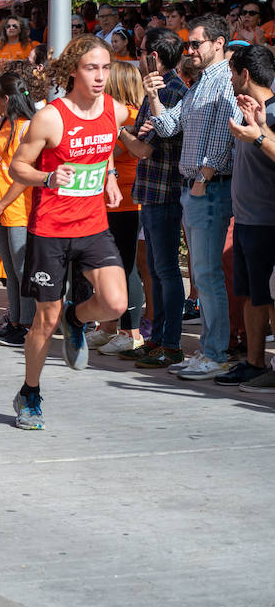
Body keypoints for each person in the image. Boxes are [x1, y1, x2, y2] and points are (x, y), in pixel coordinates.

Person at [8, 35, 130, 429]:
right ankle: (30, 393)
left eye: (105, 68)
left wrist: (109, 173)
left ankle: (77, 320)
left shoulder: (115, 109)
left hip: (93, 225)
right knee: (45, 318)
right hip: (51, 230)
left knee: (115, 304)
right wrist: (48, 176)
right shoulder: (51, 118)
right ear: (74, 71)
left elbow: (105, 141)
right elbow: (17, 168)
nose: (100, 76)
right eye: (92, 68)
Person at [142, 15, 240, 379]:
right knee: (201, 273)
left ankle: (215, 353)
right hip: (195, 190)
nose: (190, 50)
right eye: (187, 45)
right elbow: (168, 127)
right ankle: (209, 350)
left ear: (218, 43)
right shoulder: (199, 84)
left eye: (195, 43)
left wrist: (204, 176)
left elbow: (226, 135)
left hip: (207, 189)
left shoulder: (223, 83)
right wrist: (152, 94)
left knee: (208, 275)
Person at [116, 30, 188, 368]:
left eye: (143, 51)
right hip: (152, 191)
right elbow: (141, 137)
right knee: (158, 271)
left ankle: (170, 343)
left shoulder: (172, 91)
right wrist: (132, 134)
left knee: (166, 271)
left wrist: (119, 130)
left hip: (165, 192)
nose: (138, 57)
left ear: (155, 57)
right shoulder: (156, 89)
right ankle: (158, 339)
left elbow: (143, 148)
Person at [219, 45, 275, 389]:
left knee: (269, 296)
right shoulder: (250, 110)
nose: (230, 79)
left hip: (268, 221)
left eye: (232, 73)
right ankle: (254, 362)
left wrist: (258, 135)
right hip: (247, 219)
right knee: (254, 295)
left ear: (245, 75)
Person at [0, 70, 36, 347]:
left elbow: (24, 176)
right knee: (10, 271)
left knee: (23, 269)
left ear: (6, 98)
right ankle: (14, 322)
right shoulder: (1, 123)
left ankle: (27, 325)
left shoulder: (27, 128)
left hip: (18, 210)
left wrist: (0, 204)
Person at [93, 61, 147, 355]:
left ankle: (131, 332)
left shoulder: (132, 116)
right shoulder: (111, 115)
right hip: (106, 200)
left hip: (126, 200)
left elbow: (110, 151)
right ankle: (108, 326)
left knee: (125, 266)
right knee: (108, 266)